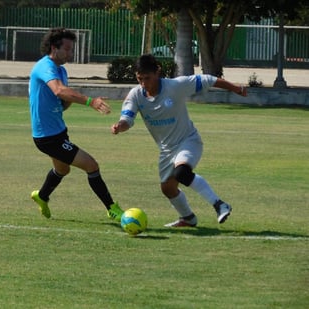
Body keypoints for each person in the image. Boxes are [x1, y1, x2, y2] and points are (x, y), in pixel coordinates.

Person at [111, 54, 247, 227]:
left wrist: (236, 89)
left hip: (188, 141)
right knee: (167, 188)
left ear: (157, 72)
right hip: (167, 150)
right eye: (140, 78)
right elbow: (127, 119)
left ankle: (220, 204)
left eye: (147, 78)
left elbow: (208, 79)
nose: (144, 83)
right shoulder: (136, 95)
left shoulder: (175, 86)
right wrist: (119, 126)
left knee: (181, 173)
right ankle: (188, 218)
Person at [28, 27, 124, 221]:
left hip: (59, 132)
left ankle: (42, 195)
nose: (71, 53)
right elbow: (58, 91)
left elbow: (61, 104)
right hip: (47, 137)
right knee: (91, 165)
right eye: (68, 49)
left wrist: (70, 98)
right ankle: (112, 208)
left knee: (63, 169)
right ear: (54, 48)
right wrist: (90, 101)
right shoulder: (44, 66)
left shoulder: (61, 70)